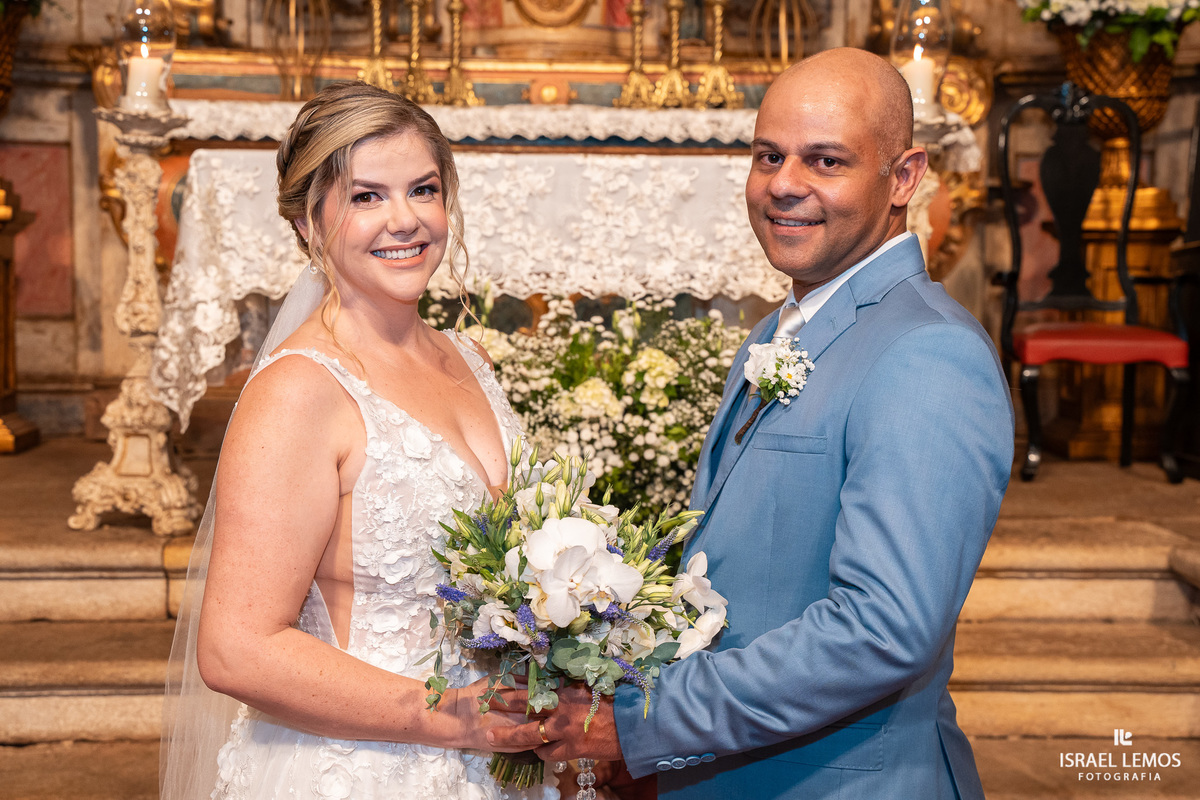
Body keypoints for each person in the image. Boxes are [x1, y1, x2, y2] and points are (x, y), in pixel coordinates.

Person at [489, 47, 1015, 799]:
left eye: (826, 161)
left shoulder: (926, 353)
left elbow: (883, 628)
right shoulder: (782, 327)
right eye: (769, 155)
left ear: (903, 177)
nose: (784, 185)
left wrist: (643, 721)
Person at [160, 81, 557, 800]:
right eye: (366, 196)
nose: (404, 220)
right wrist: (448, 716)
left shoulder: (470, 358)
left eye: (424, 189)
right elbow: (235, 651)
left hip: (494, 763)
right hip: (361, 767)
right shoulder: (299, 393)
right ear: (310, 224)